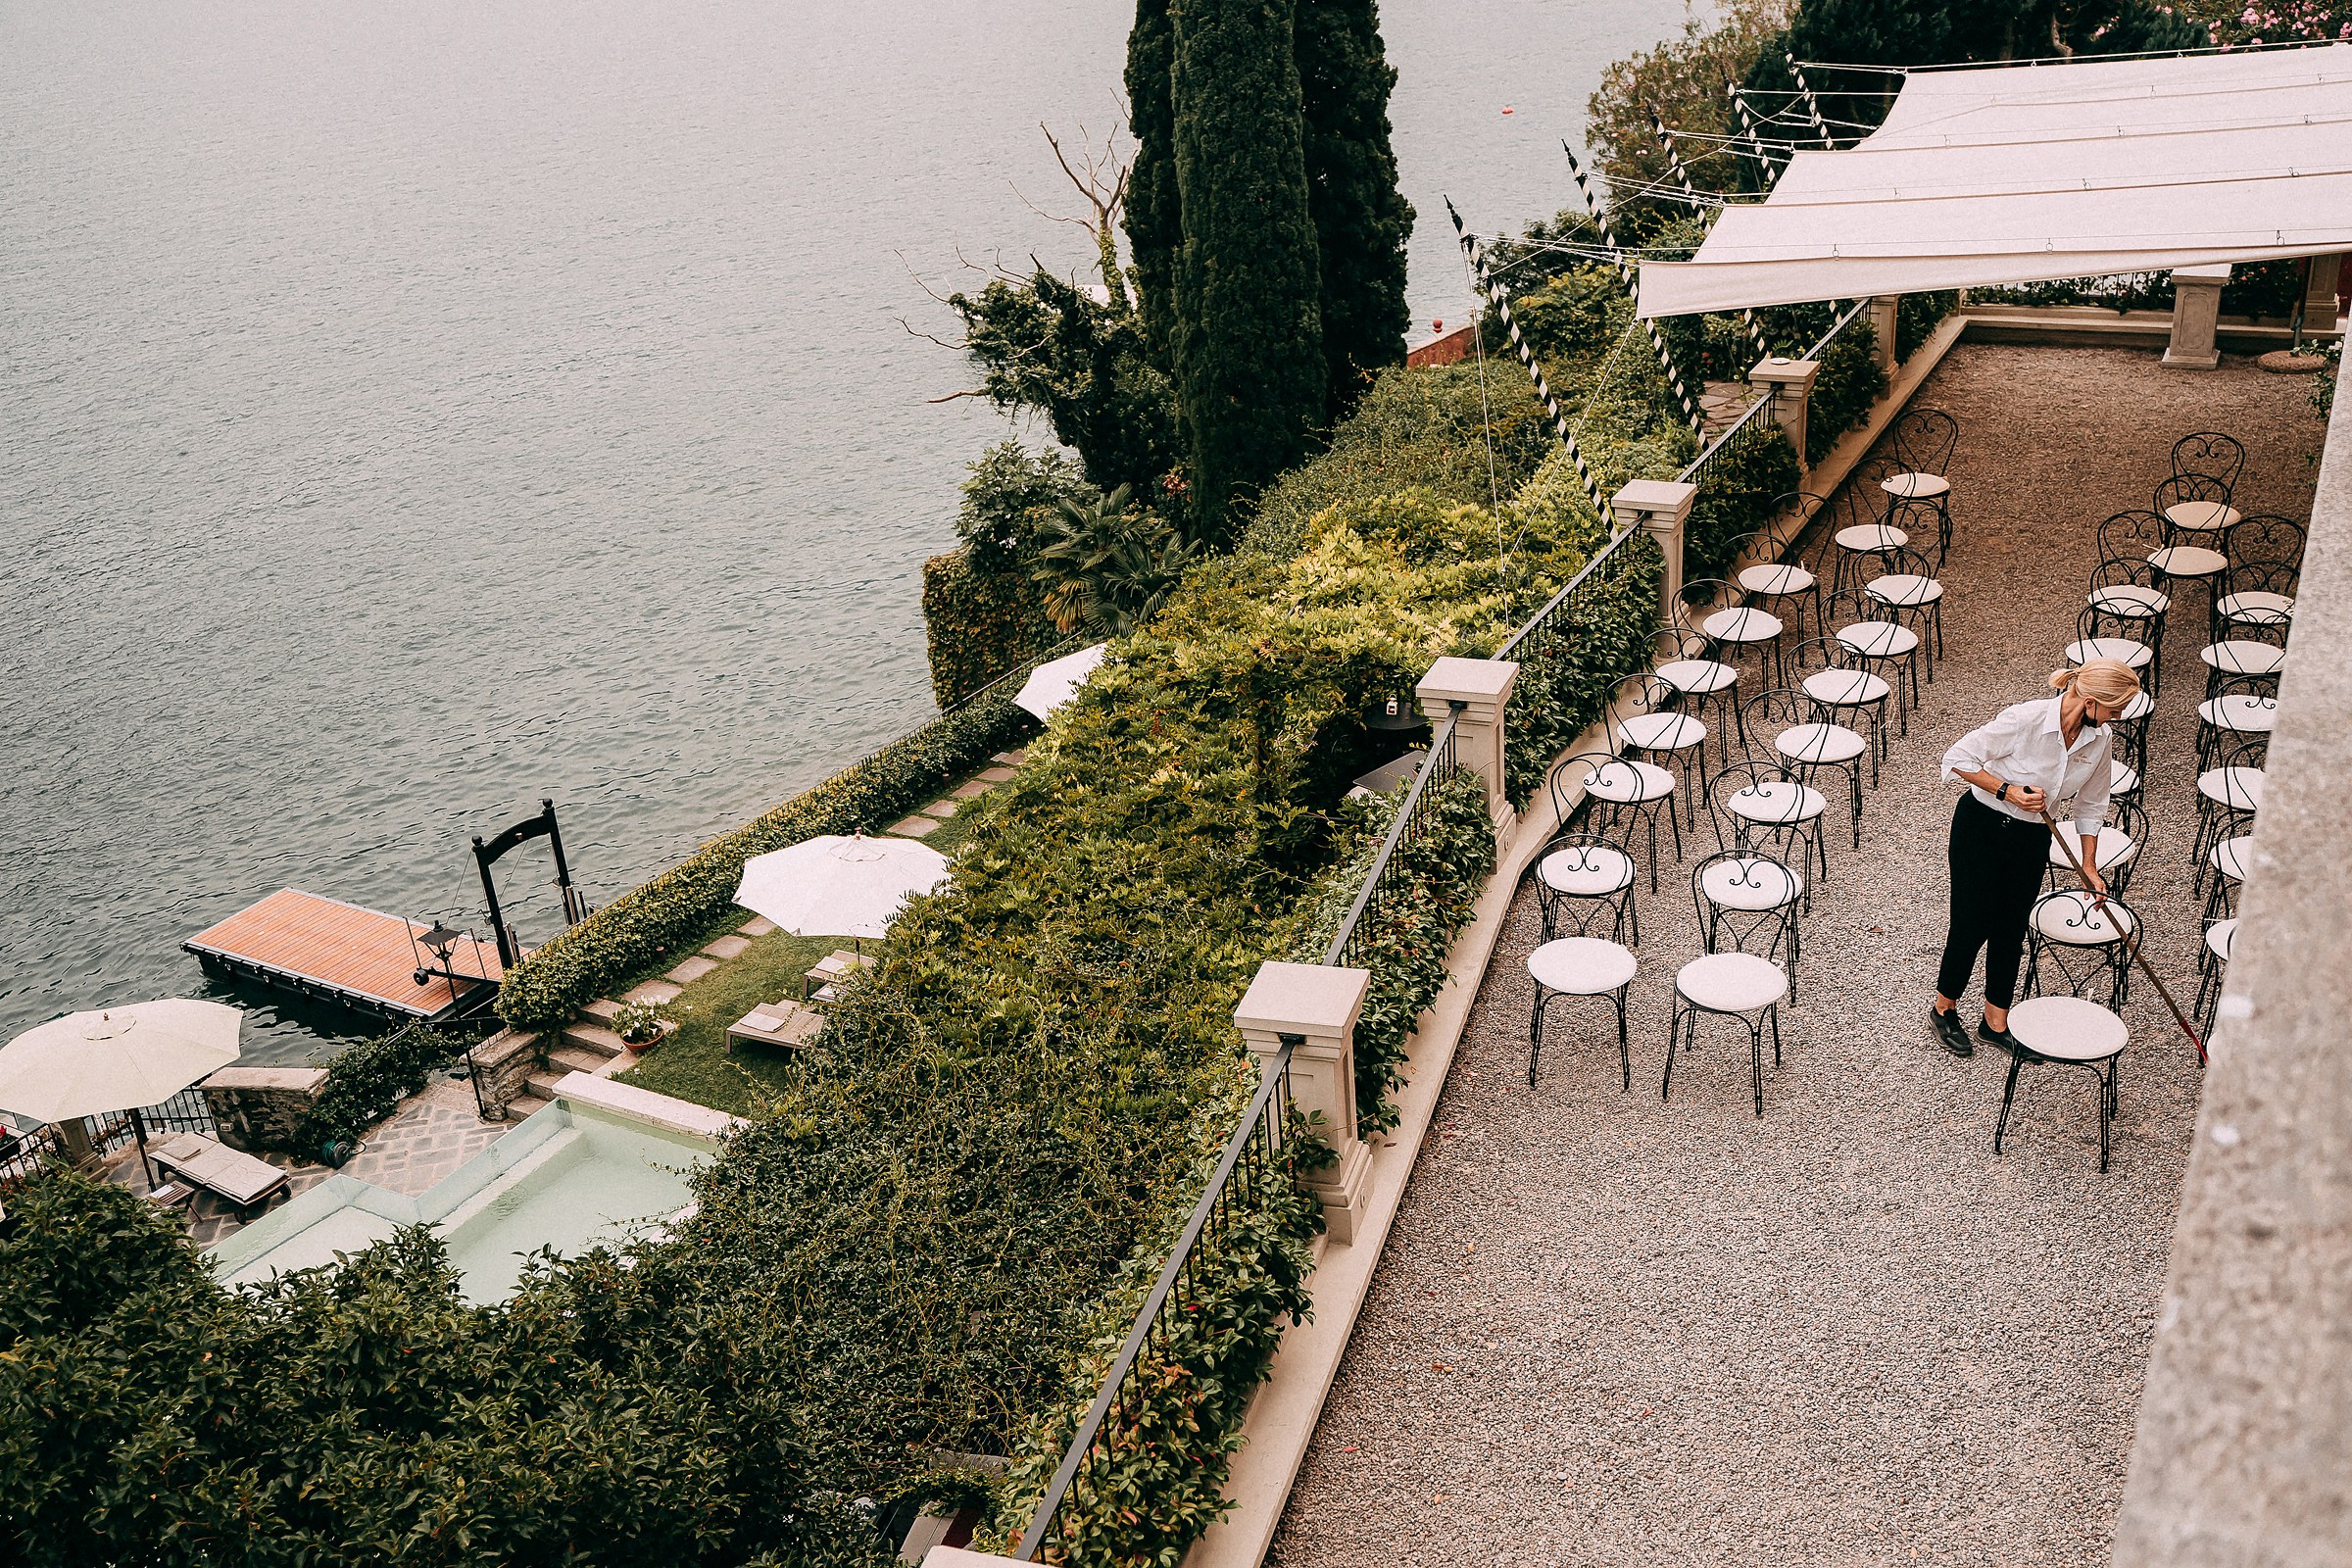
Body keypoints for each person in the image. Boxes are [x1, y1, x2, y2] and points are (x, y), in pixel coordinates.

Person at [1930, 658, 2142, 1056]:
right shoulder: (2025, 719)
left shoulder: (2099, 738)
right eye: (2116, 708)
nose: (2120, 716)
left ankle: (1995, 1022)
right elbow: (1957, 758)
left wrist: (2089, 867)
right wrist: (2007, 790)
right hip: (1982, 826)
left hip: (2032, 836)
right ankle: (1944, 1009)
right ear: (2091, 700)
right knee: (1972, 922)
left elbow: (2092, 804)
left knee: (2011, 927)